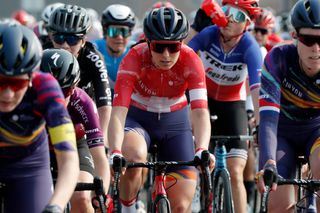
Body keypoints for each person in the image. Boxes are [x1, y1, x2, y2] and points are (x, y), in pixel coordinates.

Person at [108, 7, 215, 213]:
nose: (166, 55)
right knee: (134, 157)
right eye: (159, 47)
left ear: (181, 43)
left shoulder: (191, 59)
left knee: (181, 207)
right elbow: (118, 113)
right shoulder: (133, 57)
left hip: (176, 124)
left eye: (173, 47)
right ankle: (129, 208)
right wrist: (115, 151)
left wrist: (202, 148)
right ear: (148, 42)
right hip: (138, 119)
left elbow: (200, 111)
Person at [188, 0, 262, 212]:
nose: (229, 18)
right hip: (204, 101)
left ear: (247, 24)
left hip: (233, 106)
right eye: (227, 11)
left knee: (235, 172)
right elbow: (179, 57)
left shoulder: (250, 46)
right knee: (201, 163)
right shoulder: (209, 33)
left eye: (238, 16)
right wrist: (194, 29)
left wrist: (258, 122)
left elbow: (257, 90)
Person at [0, 23, 79, 213]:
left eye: (17, 84)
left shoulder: (45, 88)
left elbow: (68, 158)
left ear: (31, 78)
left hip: (29, 164)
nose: (8, 94)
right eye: (1, 83)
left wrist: (56, 205)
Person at [255, 0, 320, 212]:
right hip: (282, 133)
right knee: (278, 206)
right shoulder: (278, 59)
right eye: (308, 40)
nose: (316, 49)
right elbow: (267, 119)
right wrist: (268, 162)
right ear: (294, 37)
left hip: (316, 131)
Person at [41, 48, 111, 213]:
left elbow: (100, 157)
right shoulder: (25, 98)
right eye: (47, 90)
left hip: (75, 145)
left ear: (73, 89)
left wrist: (101, 195)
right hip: (39, 147)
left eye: (63, 91)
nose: (54, 98)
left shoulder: (83, 102)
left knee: (81, 197)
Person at [47, 4, 112, 149]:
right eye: (59, 38)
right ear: (51, 37)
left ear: (83, 41)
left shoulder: (94, 58)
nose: (64, 45)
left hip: (82, 122)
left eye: (72, 40)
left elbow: (104, 105)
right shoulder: (42, 53)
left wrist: (103, 140)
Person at [93, 4, 136, 95]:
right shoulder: (93, 49)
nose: (119, 37)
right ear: (105, 32)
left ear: (130, 34)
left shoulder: (135, 51)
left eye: (124, 32)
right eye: (114, 31)